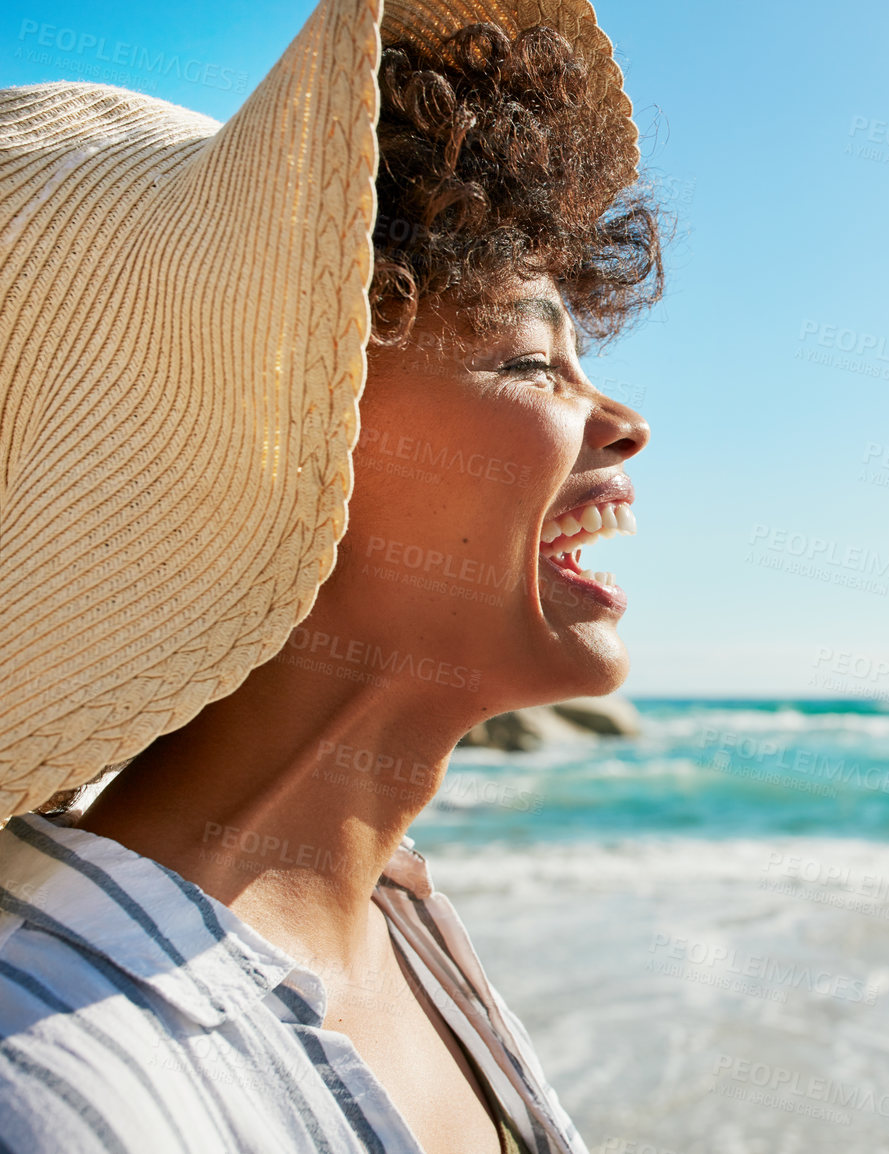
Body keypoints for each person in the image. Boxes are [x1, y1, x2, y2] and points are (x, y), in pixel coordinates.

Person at [0, 0, 659, 1151]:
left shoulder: (400, 924)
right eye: (529, 360)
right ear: (257, 448)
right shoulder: (51, 1084)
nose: (625, 424)